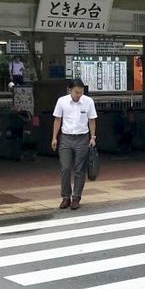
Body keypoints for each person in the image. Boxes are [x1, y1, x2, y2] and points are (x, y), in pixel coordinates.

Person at [51, 78, 97, 210]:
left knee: (79, 169)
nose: (79, 95)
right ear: (70, 90)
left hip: (82, 138)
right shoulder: (62, 101)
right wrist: (54, 138)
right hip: (66, 138)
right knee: (65, 168)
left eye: (81, 92)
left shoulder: (88, 101)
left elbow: (92, 120)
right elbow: (57, 120)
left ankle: (76, 197)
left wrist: (92, 137)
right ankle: (66, 197)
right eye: (76, 92)